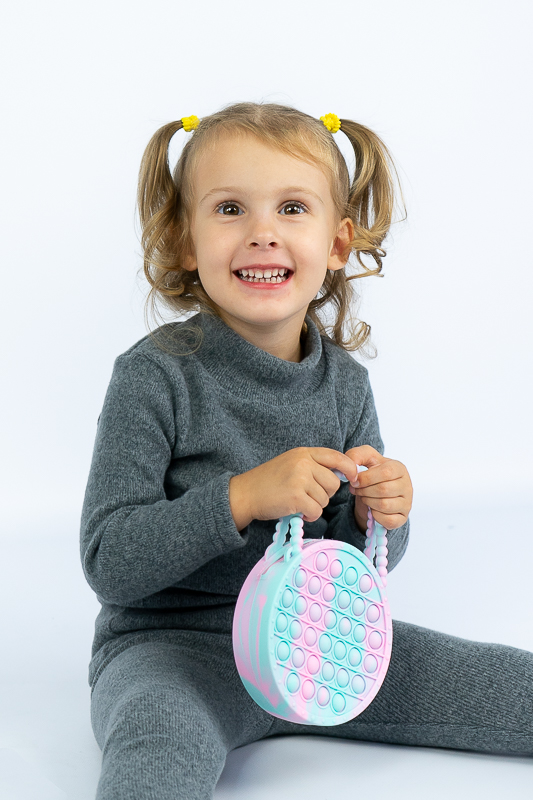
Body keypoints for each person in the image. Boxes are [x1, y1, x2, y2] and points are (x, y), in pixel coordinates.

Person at [80, 102, 532, 800]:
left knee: (511, 687)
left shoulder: (345, 385)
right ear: (183, 240)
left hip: (323, 646)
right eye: (229, 208)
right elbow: (110, 561)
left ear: (336, 243)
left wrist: (381, 516)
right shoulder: (154, 376)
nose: (262, 232)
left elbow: (362, 564)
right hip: (174, 650)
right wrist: (240, 498)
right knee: (157, 747)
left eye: (292, 208)